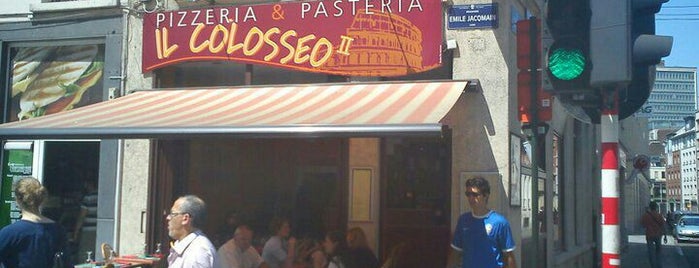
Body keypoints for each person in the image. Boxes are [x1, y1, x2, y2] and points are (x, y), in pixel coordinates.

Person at [0, 177, 69, 267]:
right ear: (41, 199)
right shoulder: (58, 230)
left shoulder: (10, 233)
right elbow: (67, 263)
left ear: (17, 200)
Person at [450, 177, 516, 268]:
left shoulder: (500, 222)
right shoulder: (463, 220)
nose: (471, 198)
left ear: (486, 195)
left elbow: (509, 257)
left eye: (475, 194)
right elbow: (455, 253)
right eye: (468, 194)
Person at [167, 195, 217, 268]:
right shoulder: (187, 246)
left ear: (185, 219)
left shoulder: (199, 252)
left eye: (173, 214)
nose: (168, 217)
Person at [641, 201, 667, 268]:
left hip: (649, 235)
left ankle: (653, 265)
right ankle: (659, 265)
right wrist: (665, 236)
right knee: (658, 251)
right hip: (658, 235)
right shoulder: (659, 215)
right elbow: (663, 226)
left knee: (650, 252)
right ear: (656, 207)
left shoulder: (646, 215)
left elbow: (643, 225)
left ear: (650, 207)